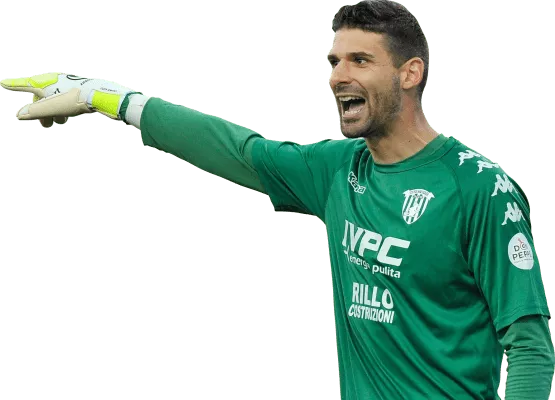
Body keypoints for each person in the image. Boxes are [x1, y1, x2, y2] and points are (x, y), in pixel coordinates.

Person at [1, 0, 554, 398]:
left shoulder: (477, 187)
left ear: (410, 73)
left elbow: (528, 343)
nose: (337, 76)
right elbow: (236, 149)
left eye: (359, 61)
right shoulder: (338, 169)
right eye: (334, 62)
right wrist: (104, 96)